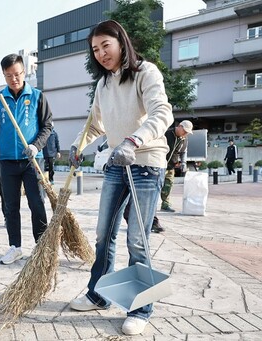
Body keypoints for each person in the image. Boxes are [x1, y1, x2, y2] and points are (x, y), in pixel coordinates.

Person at [67, 20, 173, 335]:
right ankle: (99, 294)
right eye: (95, 49)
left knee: (137, 239)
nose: (101, 53)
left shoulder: (146, 73)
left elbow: (162, 113)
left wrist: (133, 141)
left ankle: (141, 308)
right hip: (116, 162)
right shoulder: (104, 85)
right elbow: (95, 124)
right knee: (104, 234)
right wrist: (77, 145)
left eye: (106, 46)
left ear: (121, 42)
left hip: (145, 162)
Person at [0, 53, 52, 265]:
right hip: (7, 162)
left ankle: (41, 248)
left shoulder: (37, 96)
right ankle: (15, 246)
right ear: (4, 75)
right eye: (9, 75)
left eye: (18, 74)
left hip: (32, 161)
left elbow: (47, 126)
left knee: (37, 204)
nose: (14, 79)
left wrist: (35, 146)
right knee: (10, 206)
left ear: (24, 72)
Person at [159, 120, 194, 213]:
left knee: (168, 185)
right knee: (156, 185)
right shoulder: (167, 134)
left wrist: (183, 163)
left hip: (171, 166)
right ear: (179, 126)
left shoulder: (184, 139)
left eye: (187, 132)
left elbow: (183, 152)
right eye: (185, 131)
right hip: (159, 164)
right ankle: (150, 204)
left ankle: (165, 204)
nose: (186, 133)